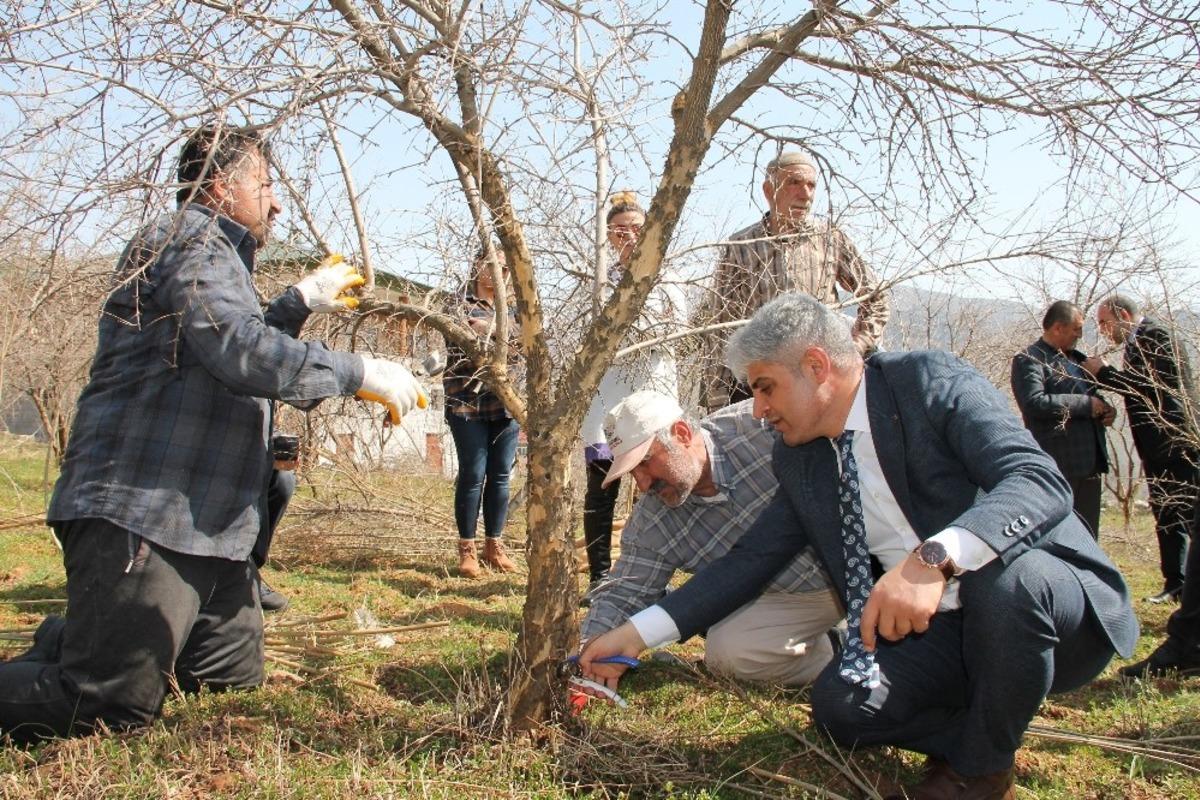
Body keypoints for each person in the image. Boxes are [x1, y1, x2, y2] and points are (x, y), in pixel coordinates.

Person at [581, 293, 1137, 800]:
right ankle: (992, 714)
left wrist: (935, 559)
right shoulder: (801, 458)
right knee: (842, 708)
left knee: (1005, 581)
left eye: (765, 386)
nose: (757, 410)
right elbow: (747, 564)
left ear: (817, 367)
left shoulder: (926, 382)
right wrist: (633, 634)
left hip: (1053, 610)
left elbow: (1037, 480)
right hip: (944, 635)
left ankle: (979, 772)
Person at [0, 124, 427, 742]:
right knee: (106, 707)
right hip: (146, 509)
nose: (277, 201)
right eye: (266, 183)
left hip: (210, 526)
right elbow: (235, 349)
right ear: (221, 185)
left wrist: (298, 300)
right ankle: (94, 655)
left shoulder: (216, 256)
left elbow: (216, 343)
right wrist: (360, 371)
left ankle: (84, 635)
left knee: (226, 679)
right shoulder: (187, 239)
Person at [580, 390, 840, 687]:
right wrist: (591, 648)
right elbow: (623, 593)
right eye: (631, 471)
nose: (642, 483)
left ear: (681, 433)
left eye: (645, 462)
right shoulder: (653, 519)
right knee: (728, 652)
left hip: (855, 566)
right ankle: (842, 655)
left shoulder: (761, 428)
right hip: (789, 600)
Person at [696, 151, 889, 412]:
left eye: (811, 185)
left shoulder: (830, 238)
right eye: (794, 183)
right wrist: (718, 399)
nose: (805, 194)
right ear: (768, 190)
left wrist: (855, 348)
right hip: (765, 383)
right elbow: (721, 326)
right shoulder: (742, 246)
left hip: (820, 377)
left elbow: (875, 298)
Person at [1083, 295, 1200, 678]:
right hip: (1159, 445)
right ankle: (1176, 582)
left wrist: (1105, 373)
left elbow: (1150, 388)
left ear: (1124, 316)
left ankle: (1181, 591)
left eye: (1104, 322)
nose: (1102, 330)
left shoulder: (1155, 336)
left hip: (1174, 444)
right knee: (1168, 514)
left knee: (1178, 513)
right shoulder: (1142, 339)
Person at [580, 192, 687, 591]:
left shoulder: (670, 275)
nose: (628, 236)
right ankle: (600, 576)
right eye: (619, 230)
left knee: (652, 486)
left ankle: (642, 574)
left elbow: (675, 329)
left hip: (653, 397)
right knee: (602, 483)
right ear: (609, 236)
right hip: (604, 401)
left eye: (636, 229)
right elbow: (591, 335)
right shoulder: (597, 281)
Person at [443, 247, 520, 578]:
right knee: (473, 473)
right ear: (476, 265)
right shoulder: (458, 301)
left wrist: (488, 329)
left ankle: (494, 545)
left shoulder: (514, 306)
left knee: (501, 474)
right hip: (467, 400)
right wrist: (494, 334)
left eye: (503, 268)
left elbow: (522, 341)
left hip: (506, 400)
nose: (496, 273)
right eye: (490, 265)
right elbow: (461, 341)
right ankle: (467, 548)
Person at [1011, 300, 1115, 538]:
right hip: (1060, 462)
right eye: (1076, 328)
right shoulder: (1030, 359)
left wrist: (1107, 410)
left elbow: (1093, 396)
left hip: (1090, 462)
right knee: (1061, 534)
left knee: (1088, 535)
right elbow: (1034, 402)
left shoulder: (1078, 359)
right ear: (1058, 328)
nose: (1080, 335)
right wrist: (1086, 405)